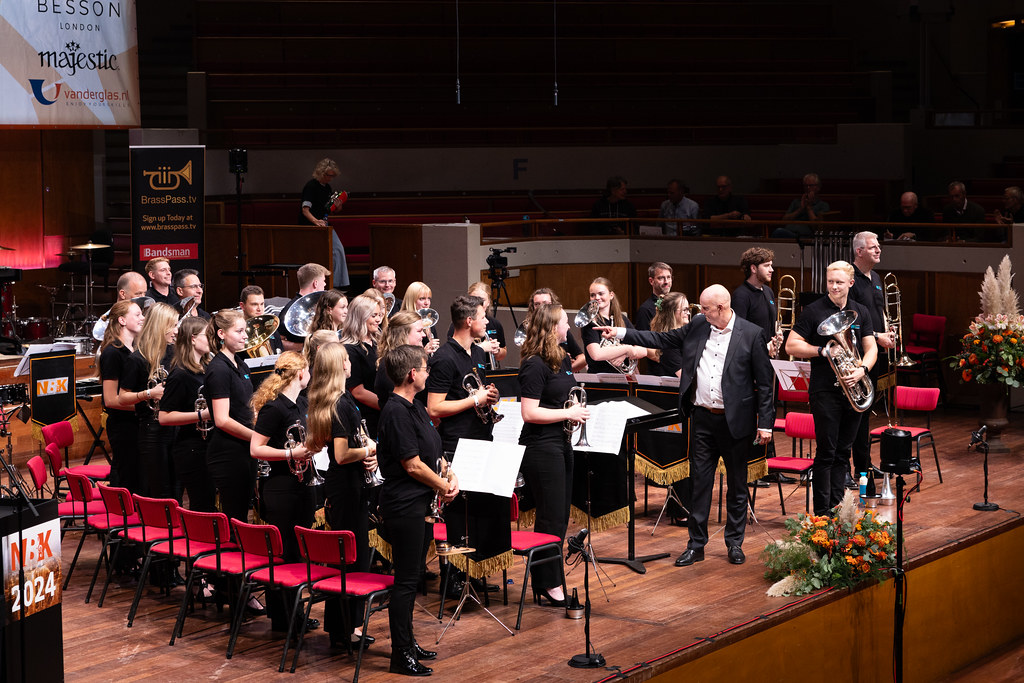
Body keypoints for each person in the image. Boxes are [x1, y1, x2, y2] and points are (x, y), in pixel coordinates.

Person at [597, 284, 774, 567]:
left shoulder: (751, 334)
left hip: (735, 421)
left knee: (737, 485)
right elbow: (660, 338)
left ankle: (734, 543)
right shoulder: (699, 326)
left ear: (721, 307)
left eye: (704, 308)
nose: (698, 313)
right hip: (702, 419)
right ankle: (696, 545)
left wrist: (765, 424)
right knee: (699, 483)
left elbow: (766, 384)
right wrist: (620, 333)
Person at [378, 344, 457, 676]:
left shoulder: (416, 408)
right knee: (407, 581)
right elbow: (411, 464)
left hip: (421, 504)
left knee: (411, 579)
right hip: (404, 505)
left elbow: (433, 453)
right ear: (412, 374)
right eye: (424, 368)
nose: (427, 373)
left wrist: (448, 474)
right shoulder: (395, 411)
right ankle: (401, 654)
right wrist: (443, 486)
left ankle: (408, 642)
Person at [785, 261, 877, 515]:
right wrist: (822, 350)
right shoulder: (813, 311)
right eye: (830, 282)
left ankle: (838, 508)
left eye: (839, 282)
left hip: (853, 388)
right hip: (825, 389)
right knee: (826, 451)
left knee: (843, 452)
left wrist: (862, 370)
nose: (834, 286)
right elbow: (791, 346)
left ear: (850, 283)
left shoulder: (861, 311)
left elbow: (872, 349)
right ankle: (822, 512)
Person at [426, 295, 504, 589]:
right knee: (458, 514)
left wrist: (487, 396)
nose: (488, 322)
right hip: (457, 445)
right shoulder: (444, 357)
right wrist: (475, 399)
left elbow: (474, 395)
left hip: (482, 438)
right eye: (483, 317)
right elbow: (434, 408)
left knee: (479, 512)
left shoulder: (478, 354)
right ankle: (454, 578)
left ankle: (475, 573)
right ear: (469, 321)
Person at [305, 342, 378, 648]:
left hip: (345, 486)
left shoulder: (338, 400)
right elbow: (341, 454)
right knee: (352, 560)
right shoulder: (341, 404)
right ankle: (345, 630)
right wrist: (370, 449)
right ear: (339, 367)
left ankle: (345, 627)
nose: (351, 364)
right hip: (347, 489)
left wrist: (365, 451)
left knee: (347, 559)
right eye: (346, 360)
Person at [518, 303, 587, 603]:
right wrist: (566, 413)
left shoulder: (562, 359)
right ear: (551, 328)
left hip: (561, 443)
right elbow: (529, 412)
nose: (569, 327)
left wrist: (569, 414)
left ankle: (548, 579)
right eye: (564, 322)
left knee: (560, 516)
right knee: (550, 516)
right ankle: (548, 583)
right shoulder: (534, 364)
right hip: (541, 446)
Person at [250, 351, 317, 633]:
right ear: (301, 374)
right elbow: (256, 448)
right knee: (284, 553)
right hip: (280, 488)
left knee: (296, 553)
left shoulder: (300, 402)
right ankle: (283, 617)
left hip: (300, 485)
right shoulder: (274, 408)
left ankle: (295, 612)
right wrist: (292, 451)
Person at [849, 232, 896, 482]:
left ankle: (863, 466)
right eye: (873, 247)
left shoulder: (876, 277)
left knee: (867, 411)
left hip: (875, 352)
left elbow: (878, 311)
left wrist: (887, 331)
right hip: (857, 354)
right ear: (859, 251)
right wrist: (877, 336)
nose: (879, 250)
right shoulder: (850, 279)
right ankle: (850, 468)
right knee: (855, 411)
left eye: (878, 246)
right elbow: (852, 319)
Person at [119, 302, 177, 498]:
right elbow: (122, 397)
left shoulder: (174, 353)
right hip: (152, 430)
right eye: (173, 326)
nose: (176, 331)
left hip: (176, 426)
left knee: (177, 488)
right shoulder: (137, 359)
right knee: (161, 490)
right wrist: (149, 394)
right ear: (161, 326)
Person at [159, 316, 216, 512]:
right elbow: (164, 417)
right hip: (191, 447)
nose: (212, 339)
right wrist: (202, 416)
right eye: (207, 335)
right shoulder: (180, 374)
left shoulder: (208, 368)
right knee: (202, 503)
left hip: (210, 443)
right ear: (192, 338)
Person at [204, 309, 256, 526]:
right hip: (228, 452)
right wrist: (257, 437)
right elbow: (222, 420)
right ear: (221, 334)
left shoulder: (239, 363)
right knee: (236, 517)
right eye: (240, 331)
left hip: (243, 449)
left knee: (244, 511)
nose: (246, 335)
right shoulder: (219, 369)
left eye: (245, 330)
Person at [98, 299, 145, 490]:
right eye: (137, 314)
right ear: (122, 320)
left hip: (135, 421)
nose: (143, 318)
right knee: (127, 473)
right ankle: (123, 515)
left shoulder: (134, 349)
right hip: (122, 425)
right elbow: (110, 399)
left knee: (138, 473)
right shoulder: (112, 353)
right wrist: (147, 404)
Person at [298, 157, 350, 289]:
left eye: (332, 176)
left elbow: (330, 210)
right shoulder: (311, 186)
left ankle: (338, 285)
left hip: (324, 226)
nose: (330, 178)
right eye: (328, 175)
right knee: (326, 253)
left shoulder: (327, 187)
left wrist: (338, 206)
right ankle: (329, 285)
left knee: (338, 250)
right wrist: (316, 221)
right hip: (311, 227)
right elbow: (305, 210)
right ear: (321, 173)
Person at [578, 277, 647, 374]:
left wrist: (624, 354)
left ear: (611, 295)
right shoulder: (589, 323)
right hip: (599, 380)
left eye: (601, 294)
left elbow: (644, 350)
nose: (597, 298)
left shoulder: (622, 319)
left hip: (623, 380)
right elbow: (596, 354)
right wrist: (626, 349)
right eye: (592, 295)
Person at [341, 294, 383, 436]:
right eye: (373, 316)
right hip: (366, 417)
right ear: (360, 317)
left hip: (382, 413)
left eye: (379, 315)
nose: (378, 319)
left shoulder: (377, 342)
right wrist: (387, 406)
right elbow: (358, 392)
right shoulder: (350, 349)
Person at [732, 247, 784, 358]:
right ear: (753, 268)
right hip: (751, 360)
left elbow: (771, 321)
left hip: (768, 357)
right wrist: (764, 347)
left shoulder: (768, 291)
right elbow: (738, 334)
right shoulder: (741, 295)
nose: (771, 270)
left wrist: (777, 334)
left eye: (771, 265)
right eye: (766, 266)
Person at [374, 310, 428, 413]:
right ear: (404, 334)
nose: (424, 335)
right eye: (419, 331)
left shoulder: (408, 360)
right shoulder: (389, 365)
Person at [527, 288, 586, 372]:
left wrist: (565, 368)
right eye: (537, 304)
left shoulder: (562, 331)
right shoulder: (530, 332)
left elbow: (582, 358)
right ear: (532, 307)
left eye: (546, 304)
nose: (542, 307)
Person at [278, 263, 329, 351]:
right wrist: (307, 347)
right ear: (315, 283)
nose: (325, 284)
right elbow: (279, 342)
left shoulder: (320, 306)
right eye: (324, 280)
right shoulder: (289, 310)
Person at [773, 173, 829, 239]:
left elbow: (817, 227)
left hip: (805, 236)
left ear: (818, 187)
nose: (808, 188)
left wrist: (808, 208)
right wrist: (801, 208)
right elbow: (784, 220)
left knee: (778, 232)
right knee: (778, 232)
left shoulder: (823, 205)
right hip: (789, 232)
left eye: (810, 185)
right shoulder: (796, 202)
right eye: (805, 186)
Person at [400, 281, 440, 354]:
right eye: (422, 299)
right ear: (411, 300)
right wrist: (424, 352)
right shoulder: (402, 323)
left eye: (429, 298)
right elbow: (402, 355)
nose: (427, 303)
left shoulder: (429, 322)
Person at [635, 262, 673, 331]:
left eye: (668, 277)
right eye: (661, 278)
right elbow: (643, 339)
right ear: (651, 281)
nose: (666, 282)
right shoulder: (645, 310)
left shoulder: (675, 304)